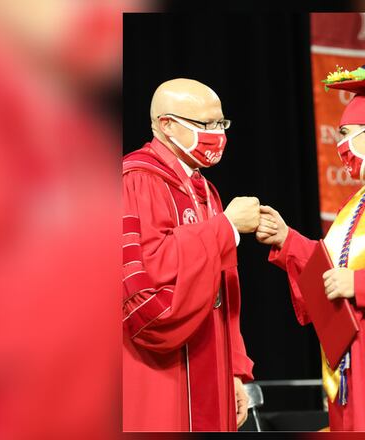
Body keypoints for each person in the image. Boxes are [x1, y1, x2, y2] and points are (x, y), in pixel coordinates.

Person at [256, 66, 365, 431]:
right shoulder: (357, 205)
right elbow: (331, 273)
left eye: (345, 134)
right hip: (349, 372)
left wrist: (362, 284)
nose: (340, 147)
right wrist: (286, 240)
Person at [122, 78, 258, 431]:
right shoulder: (136, 180)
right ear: (167, 124)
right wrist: (225, 228)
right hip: (159, 362)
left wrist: (235, 369)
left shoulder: (205, 190)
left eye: (221, 123)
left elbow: (225, 286)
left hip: (211, 354)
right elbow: (150, 266)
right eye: (206, 124)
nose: (217, 134)